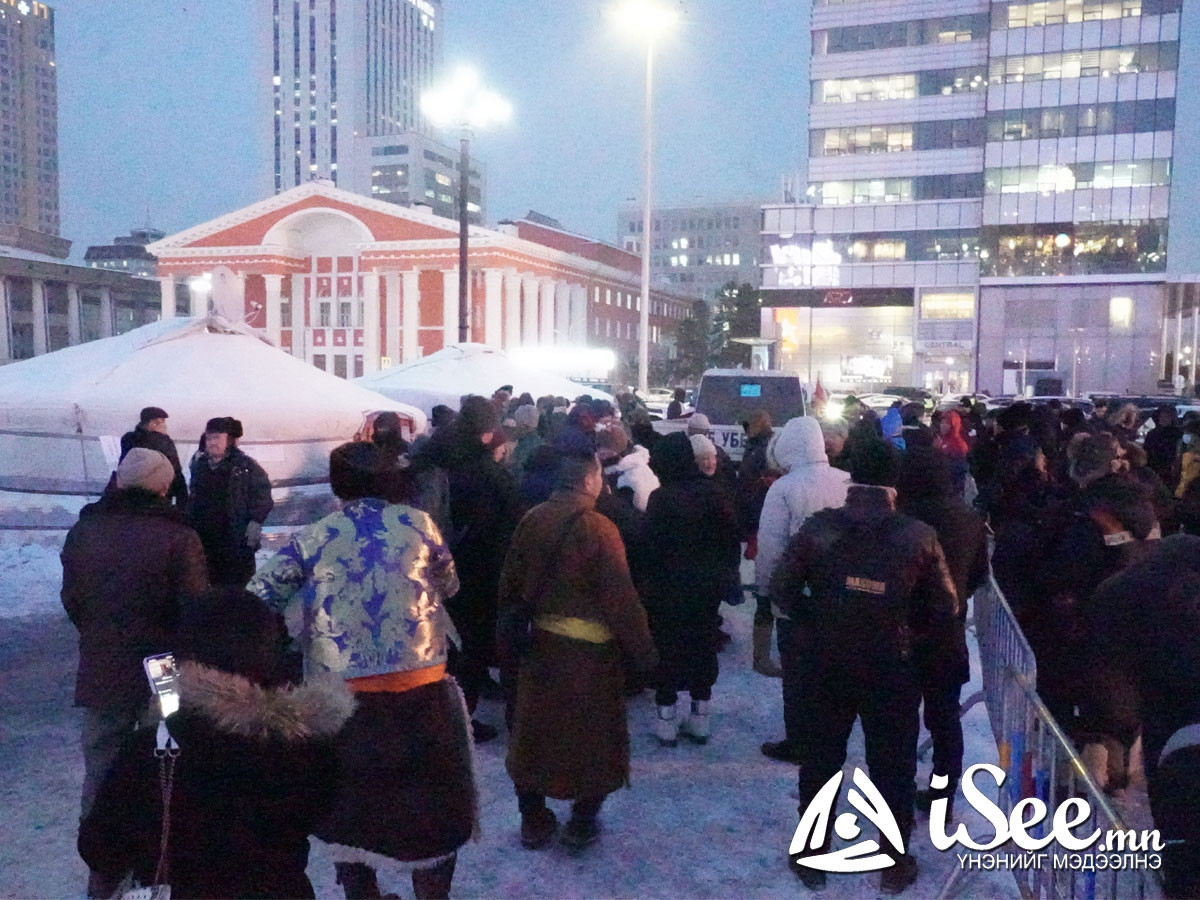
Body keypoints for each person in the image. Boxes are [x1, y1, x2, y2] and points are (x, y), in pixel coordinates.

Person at [249, 441, 475, 900]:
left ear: (337, 484)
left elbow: (257, 597)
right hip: (422, 692)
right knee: (430, 809)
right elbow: (449, 583)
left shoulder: (315, 536)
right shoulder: (420, 523)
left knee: (350, 812)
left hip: (339, 701)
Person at [78, 588, 353, 900]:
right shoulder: (302, 745)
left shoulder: (151, 749)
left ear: (186, 659)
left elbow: (98, 848)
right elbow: (332, 817)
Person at [772, 440, 958, 894]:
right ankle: (893, 861)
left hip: (826, 662)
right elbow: (946, 605)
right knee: (892, 765)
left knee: (821, 760)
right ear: (894, 483)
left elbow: (781, 589)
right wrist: (908, 634)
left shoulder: (819, 529)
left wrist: (816, 621)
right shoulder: (918, 535)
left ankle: (812, 852)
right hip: (891, 666)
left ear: (852, 477)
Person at [61, 447, 209, 898]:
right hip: (162, 668)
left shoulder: (85, 531)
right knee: (166, 755)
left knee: (103, 766)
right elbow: (194, 608)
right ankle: (157, 862)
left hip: (103, 666)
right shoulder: (179, 537)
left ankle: (102, 870)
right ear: (164, 487)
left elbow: (73, 600)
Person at [496, 452, 658, 852]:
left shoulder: (531, 519)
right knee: (593, 741)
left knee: (533, 736)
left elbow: (509, 587)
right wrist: (646, 654)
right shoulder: (598, 527)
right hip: (591, 659)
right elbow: (621, 598)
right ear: (588, 481)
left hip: (539, 650)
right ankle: (583, 821)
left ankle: (533, 819)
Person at [897, 448, 989, 816]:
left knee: (899, 720)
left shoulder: (903, 520)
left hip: (903, 632)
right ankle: (943, 796)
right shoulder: (969, 519)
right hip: (947, 633)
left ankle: (899, 790)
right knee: (945, 720)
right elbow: (980, 575)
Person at [755, 417, 851, 761]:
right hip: (843, 595)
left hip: (798, 596)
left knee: (797, 674)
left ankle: (799, 739)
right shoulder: (847, 481)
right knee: (834, 668)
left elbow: (771, 546)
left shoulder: (783, 489)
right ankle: (833, 733)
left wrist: (765, 594)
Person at [643, 432, 740, 746]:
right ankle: (701, 715)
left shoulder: (661, 498)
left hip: (668, 591)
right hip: (706, 590)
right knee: (702, 646)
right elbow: (730, 542)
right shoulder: (715, 493)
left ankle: (666, 718)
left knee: (667, 650)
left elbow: (651, 548)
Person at [438, 396, 522, 740]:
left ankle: (461, 706)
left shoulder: (444, 461)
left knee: (461, 644)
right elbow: (511, 521)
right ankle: (462, 717)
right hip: (483, 569)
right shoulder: (489, 475)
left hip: (451, 565)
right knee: (473, 646)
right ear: (487, 434)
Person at [187, 417, 274, 587]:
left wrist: (255, 521)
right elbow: (194, 496)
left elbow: (263, 493)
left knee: (238, 585)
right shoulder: (200, 465)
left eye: (217, 438)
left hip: (235, 537)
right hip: (205, 538)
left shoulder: (245, 466)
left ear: (230, 441)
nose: (212, 442)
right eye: (209, 438)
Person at [117, 406, 188, 508]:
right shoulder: (163, 441)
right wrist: (182, 499)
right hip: (159, 496)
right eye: (162, 422)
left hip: (128, 495)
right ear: (153, 424)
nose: (165, 426)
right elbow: (175, 469)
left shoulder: (128, 439)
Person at [1144, 405, 1183, 486]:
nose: (1163, 419)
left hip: (1169, 470)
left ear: (1172, 418)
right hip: (1153, 468)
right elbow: (1147, 451)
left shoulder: (1177, 434)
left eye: (1167, 416)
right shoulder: (1152, 434)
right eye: (1162, 416)